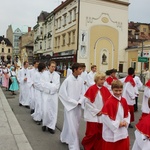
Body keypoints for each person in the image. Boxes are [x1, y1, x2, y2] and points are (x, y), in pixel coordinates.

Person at [59, 63, 85, 150]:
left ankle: (65, 137)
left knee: (75, 124)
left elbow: (83, 92)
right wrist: (73, 102)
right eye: (80, 69)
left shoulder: (81, 80)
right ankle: (74, 146)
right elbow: (62, 94)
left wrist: (80, 100)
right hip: (70, 106)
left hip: (78, 106)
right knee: (72, 125)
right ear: (75, 70)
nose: (82, 71)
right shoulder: (68, 80)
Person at [82, 72, 111, 150]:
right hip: (92, 115)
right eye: (101, 79)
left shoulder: (105, 89)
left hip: (102, 115)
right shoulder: (91, 88)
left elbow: (108, 102)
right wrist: (96, 111)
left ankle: (97, 147)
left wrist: (103, 111)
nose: (103, 81)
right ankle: (87, 145)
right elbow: (87, 103)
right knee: (92, 133)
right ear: (96, 79)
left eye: (104, 79)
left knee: (100, 133)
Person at [101, 80, 130, 150]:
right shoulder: (109, 102)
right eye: (116, 90)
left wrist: (126, 122)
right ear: (112, 89)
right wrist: (117, 124)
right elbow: (105, 117)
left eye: (120, 90)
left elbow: (127, 114)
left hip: (122, 129)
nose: (118, 92)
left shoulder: (124, 100)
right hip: (111, 131)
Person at [41, 61, 60, 134]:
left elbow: (57, 86)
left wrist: (48, 85)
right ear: (48, 66)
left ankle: (51, 126)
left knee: (53, 111)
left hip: (54, 95)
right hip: (46, 94)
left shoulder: (57, 75)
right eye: (52, 66)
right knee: (45, 110)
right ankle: (45, 124)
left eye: (54, 67)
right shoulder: (44, 74)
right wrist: (51, 86)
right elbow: (42, 84)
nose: (53, 68)